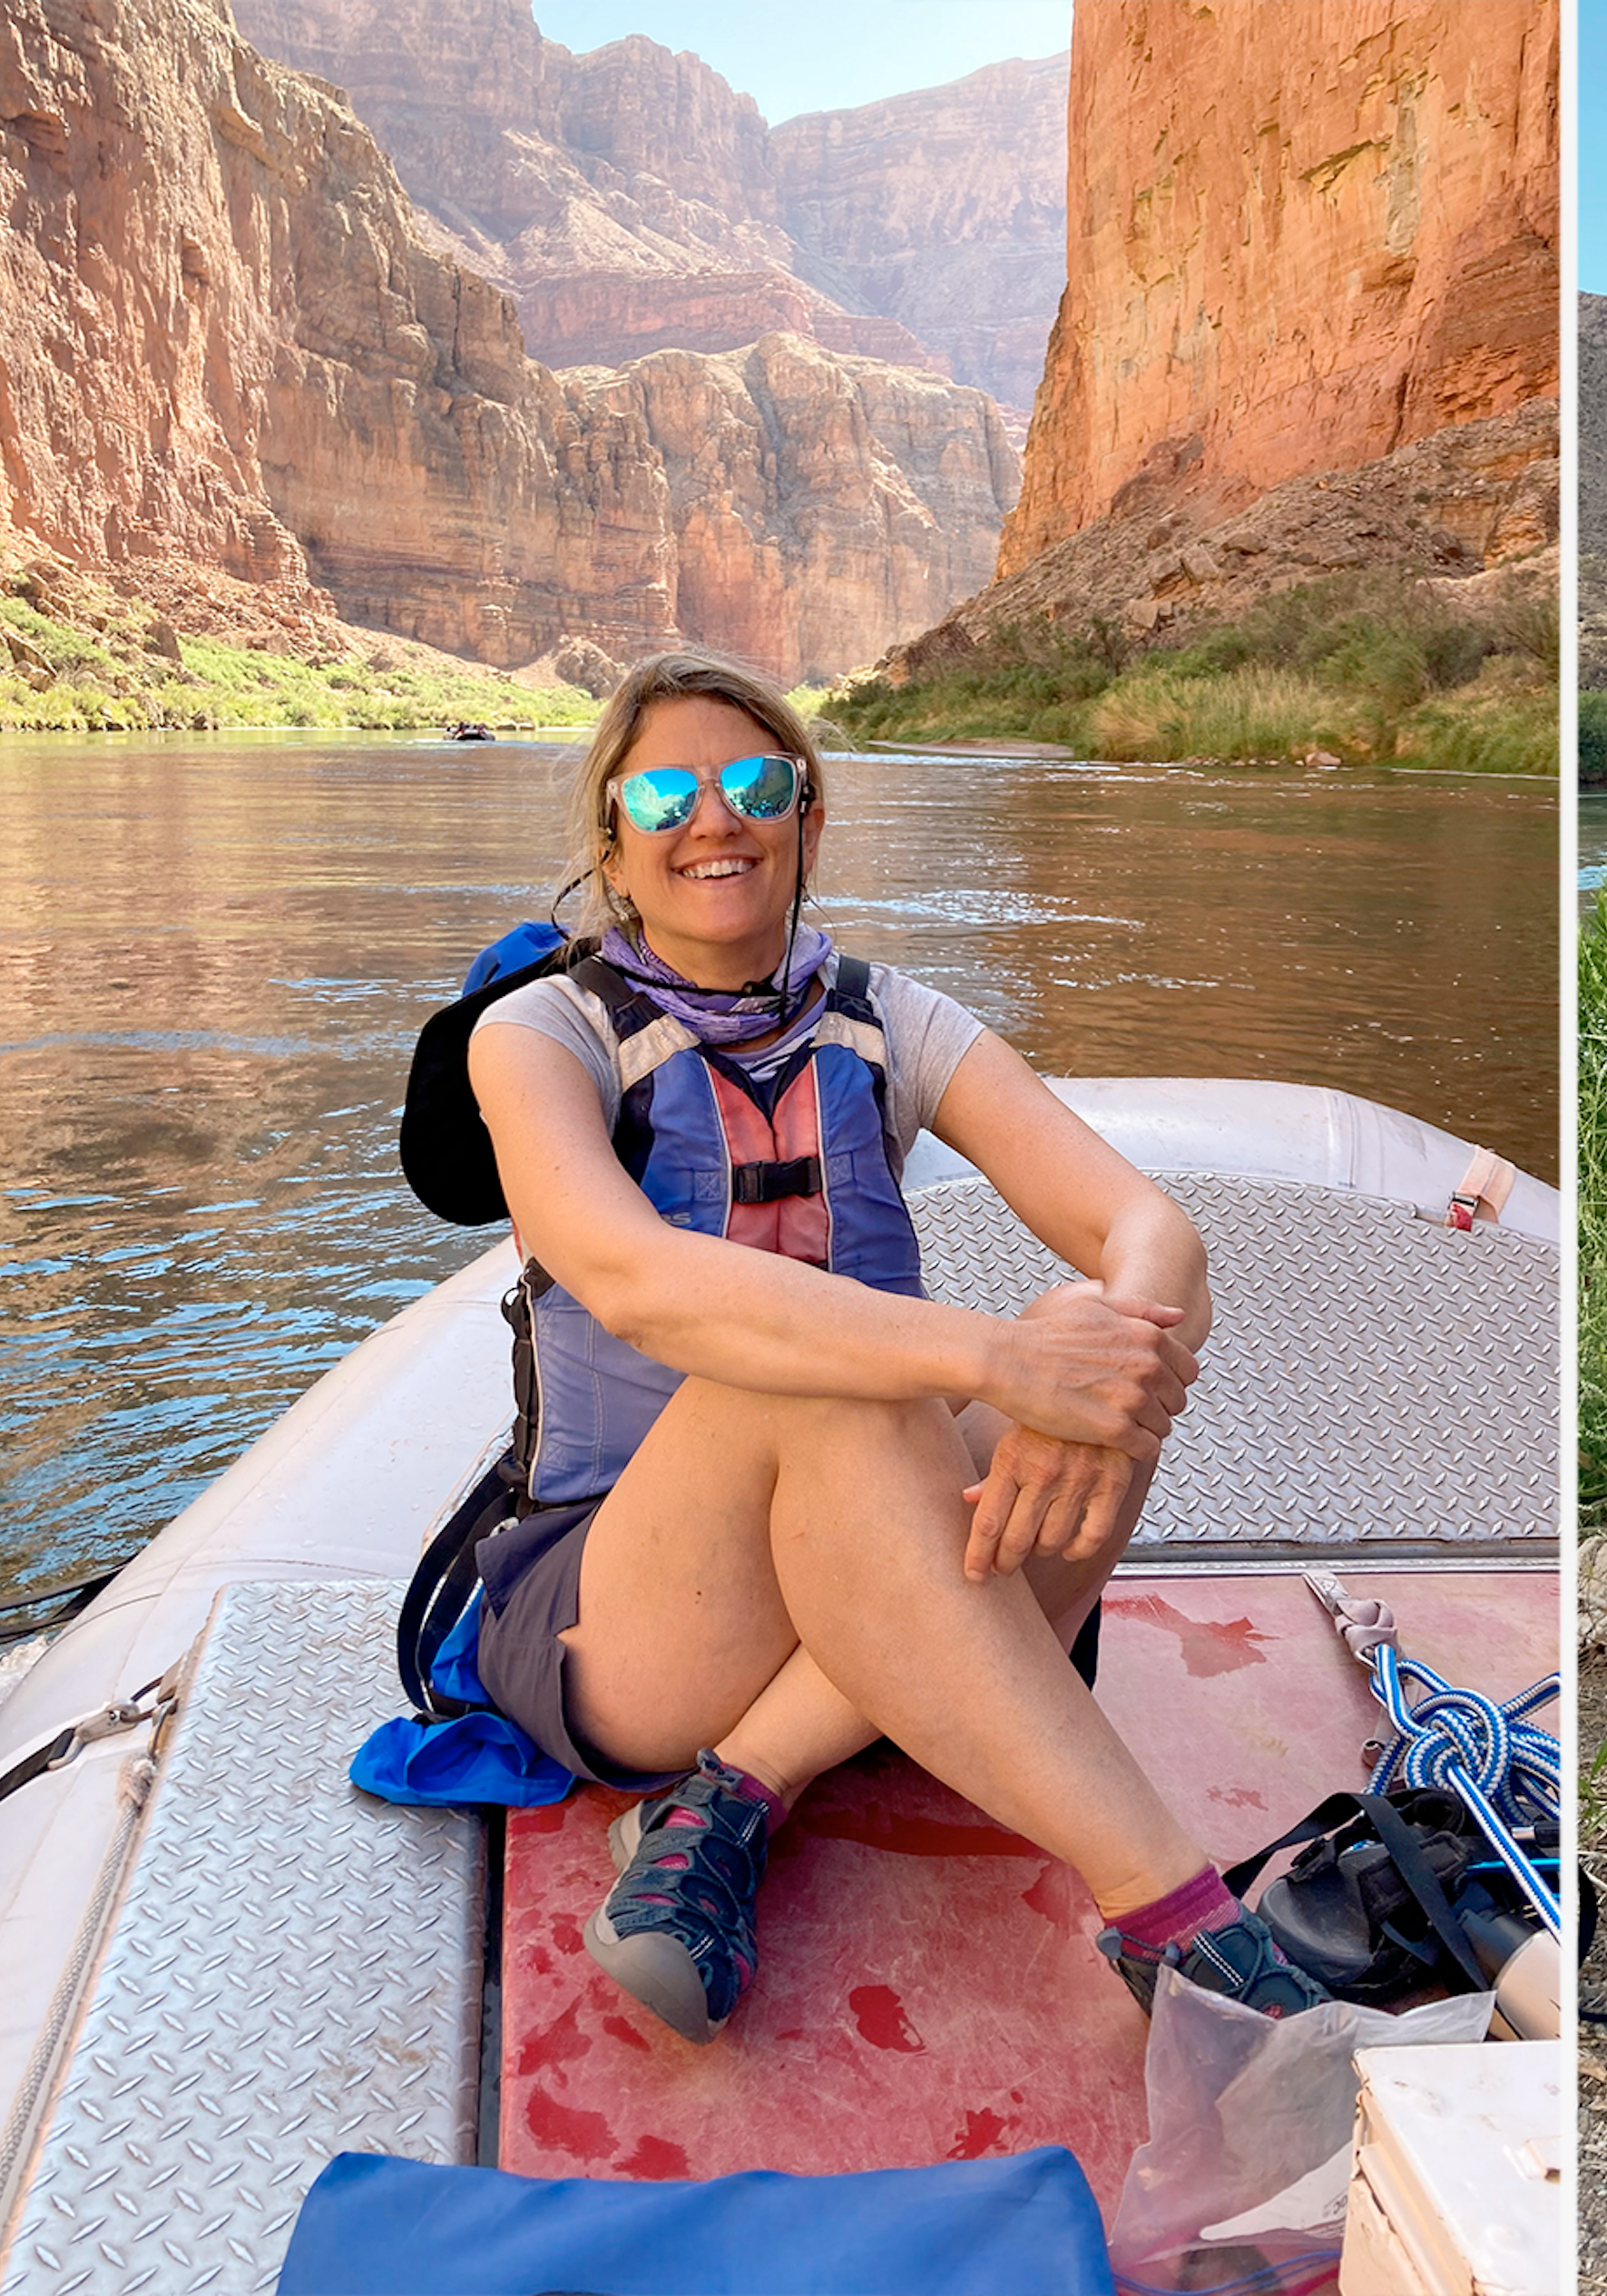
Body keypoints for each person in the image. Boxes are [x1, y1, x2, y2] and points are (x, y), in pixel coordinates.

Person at [461, 648, 1326, 2043]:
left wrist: (1085, 1352)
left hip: (878, 1569)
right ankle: (1177, 1921)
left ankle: (741, 1788)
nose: (714, 818)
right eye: (666, 790)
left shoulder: (895, 1017)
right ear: (612, 841)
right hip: (623, 1603)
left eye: (755, 782)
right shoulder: (534, 1036)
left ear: (809, 815)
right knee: (839, 1383)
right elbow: (636, 1285)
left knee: (1108, 1344)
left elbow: (1152, 1228)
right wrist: (992, 1360)